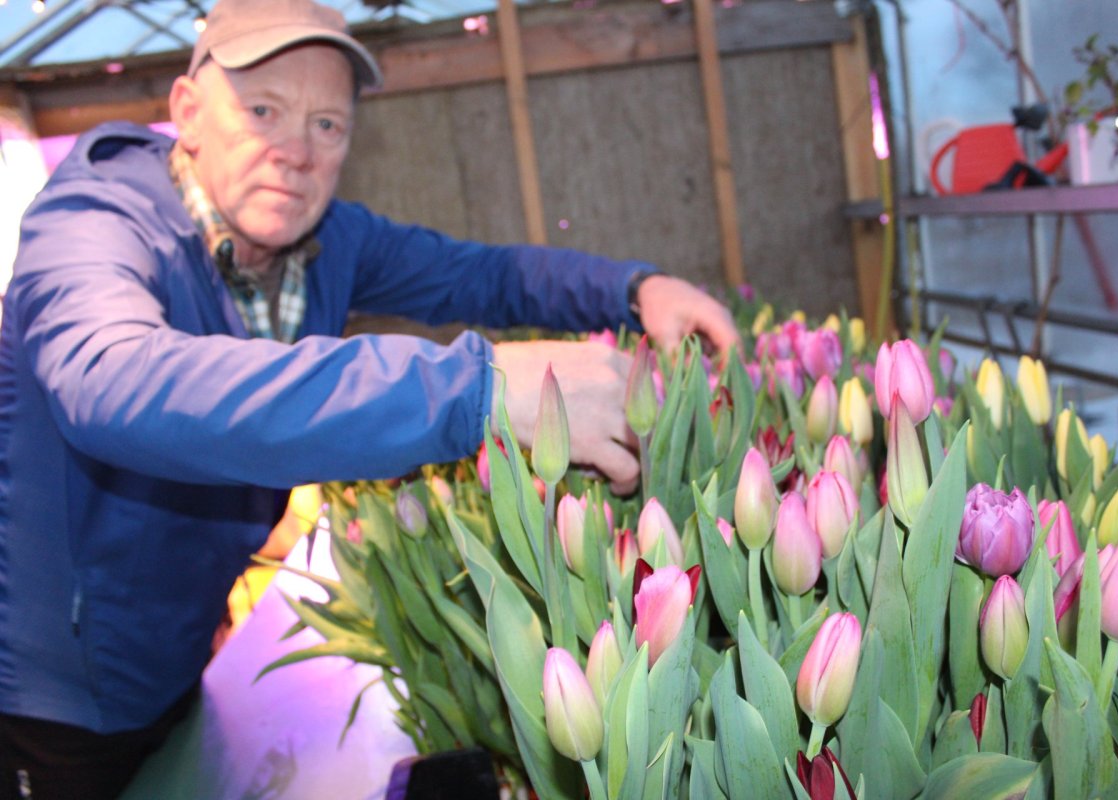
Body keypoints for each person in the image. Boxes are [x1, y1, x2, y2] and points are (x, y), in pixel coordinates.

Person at [0, 0, 737, 795]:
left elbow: (483, 275)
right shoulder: (95, 219)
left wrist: (634, 289)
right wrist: (477, 389)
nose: (295, 152)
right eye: (262, 110)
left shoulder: (323, 243)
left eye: (327, 125)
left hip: (177, 649)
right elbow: (113, 381)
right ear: (187, 112)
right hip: (51, 697)